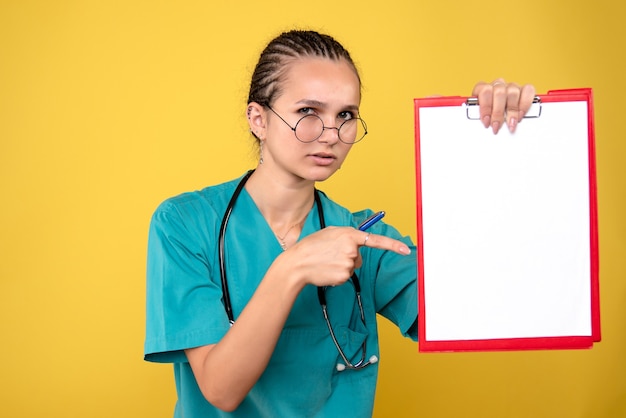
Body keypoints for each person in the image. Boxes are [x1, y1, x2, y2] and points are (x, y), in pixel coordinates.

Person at [144, 29, 536, 417]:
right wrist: (292, 267)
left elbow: (484, 306)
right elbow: (220, 390)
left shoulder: (367, 240)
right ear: (258, 119)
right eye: (308, 112)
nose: (331, 134)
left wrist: (494, 148)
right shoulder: (185, 224)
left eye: (345, 116)